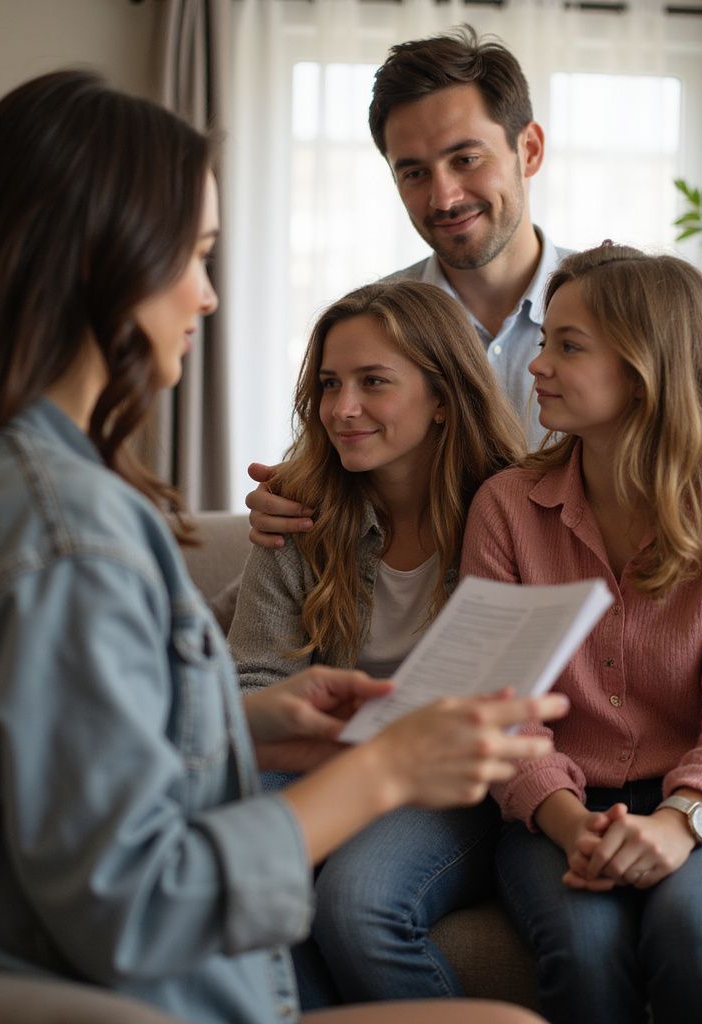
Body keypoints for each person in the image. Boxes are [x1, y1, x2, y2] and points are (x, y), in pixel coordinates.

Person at [0, 69, 567, 1024]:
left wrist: (251, 721)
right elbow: (140, 901)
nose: (205, 296)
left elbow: (45, 759)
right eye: (192, 255)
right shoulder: (62, 536)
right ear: (97, 264)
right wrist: (389, 767)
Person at [459, 243, 702, 1024]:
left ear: (645, 368)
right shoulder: (506, 507)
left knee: (692, 927)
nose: (537, 365)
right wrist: (570, 823)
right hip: (558, 807)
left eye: (568, 345)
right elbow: (499, 705)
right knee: (586, 946)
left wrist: (679, 822)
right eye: (545, 341)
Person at [227, 279, 527, 1005]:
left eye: (373, 383)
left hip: (453, 782)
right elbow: (251, 681)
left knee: (357, 904)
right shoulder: (299, 512)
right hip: (323, 759)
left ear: (444, 398)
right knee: (247, 873)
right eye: (330, 384)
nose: (342, 408)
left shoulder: (515, 512)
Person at [247, 24, 568, 545]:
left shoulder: (616, 310)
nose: (443, 198)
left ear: (528, 149)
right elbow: (333, 474)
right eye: (414, 173)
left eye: (466, 159)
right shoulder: (370, 326)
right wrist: (287, 504)